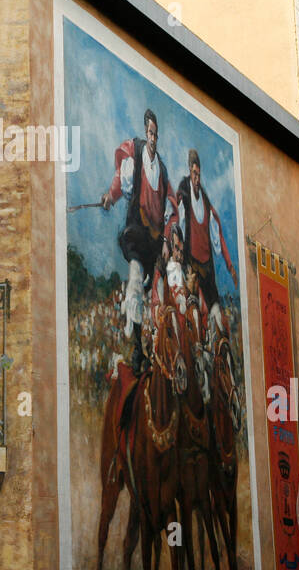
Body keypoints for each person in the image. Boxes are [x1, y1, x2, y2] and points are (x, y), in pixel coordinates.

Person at [99, 108, 175, 373]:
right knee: (133, 283)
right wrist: (110, 196)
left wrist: (166, 239)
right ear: (146, 132)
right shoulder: (137, 155)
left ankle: (160, 350)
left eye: (156, 134)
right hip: (136, 233)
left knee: (159, 295)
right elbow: (122, 180)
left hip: (155, 243)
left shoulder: (163, 171)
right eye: (150, 133)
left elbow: (171, 209)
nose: (153, 138)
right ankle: (136, 349)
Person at [175, 149, 237, 329]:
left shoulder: (206, 203)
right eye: (194, 174)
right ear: (189, 171)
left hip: (207, 266)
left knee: (216, 311)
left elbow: (218, 236)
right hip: (191, 265)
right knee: (194, 311)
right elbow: (176, 225)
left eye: (199, 175)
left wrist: (230, 266)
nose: (197, 179)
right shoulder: (183, 195)